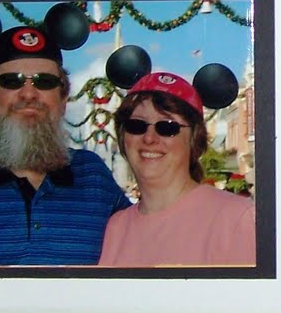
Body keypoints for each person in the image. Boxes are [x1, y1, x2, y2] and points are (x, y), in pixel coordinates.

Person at [0, 23, 129, 265]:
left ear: (63, 100)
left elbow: (148, 234)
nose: (29, 94)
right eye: (11, 81)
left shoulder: (94, 177)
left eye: (44, 82)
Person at [97, 72, 254, 267]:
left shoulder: (236, 219)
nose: (149, 138)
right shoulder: (116, 227)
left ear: (194, 138)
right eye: (136, 126)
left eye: (167, 127)